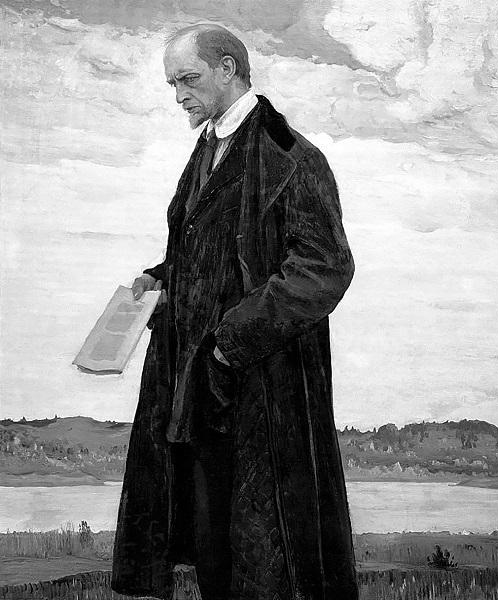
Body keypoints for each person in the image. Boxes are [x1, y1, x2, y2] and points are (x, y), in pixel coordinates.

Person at [111, 23, 358, 600]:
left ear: (228, 69)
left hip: (262, 390)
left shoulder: (290, 156)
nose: (179, 96)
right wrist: (161, 278)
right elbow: (209, 252)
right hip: (198, 389)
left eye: (188, 79)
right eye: (172, 84)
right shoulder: (209, 146)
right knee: (211, 548)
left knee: (265, 557)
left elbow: (323, 268)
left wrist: (228, 345)